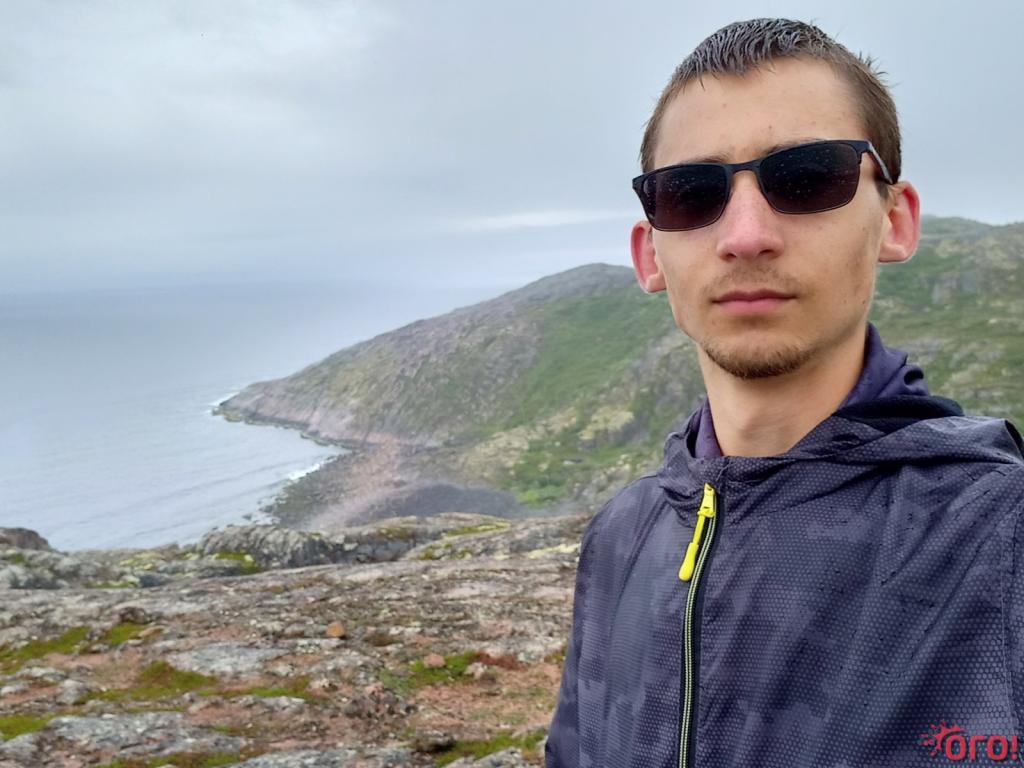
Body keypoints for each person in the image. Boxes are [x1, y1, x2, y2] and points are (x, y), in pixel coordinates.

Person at [545, 17, 1024, 768]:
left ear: (895, 221)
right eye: (690, 193)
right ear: (650, 256)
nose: (745, 235)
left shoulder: (998, 535)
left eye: (807, 178)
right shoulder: (620, 537)